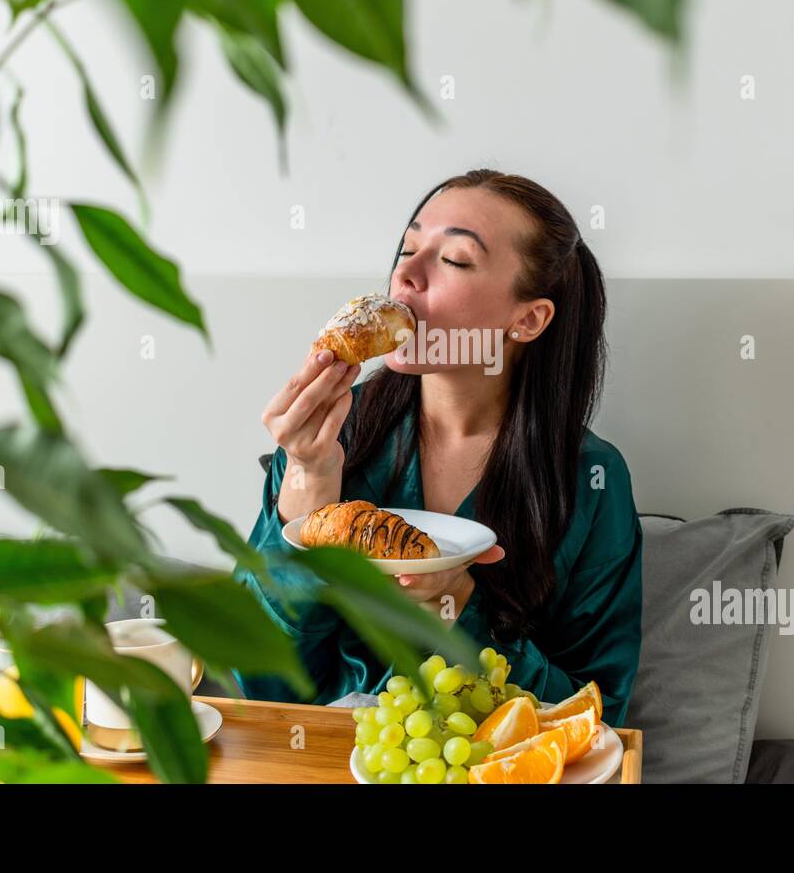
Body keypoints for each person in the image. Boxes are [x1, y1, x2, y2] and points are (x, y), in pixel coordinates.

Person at [234, 169, 643, 727]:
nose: (405, 275)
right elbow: (255, 684)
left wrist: (460, 614)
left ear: (528, 319)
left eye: (453, 259)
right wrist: (307, 481)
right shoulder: (330, 436)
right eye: (407, 247)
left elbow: (597, 717)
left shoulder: (591, 479)